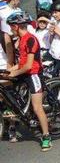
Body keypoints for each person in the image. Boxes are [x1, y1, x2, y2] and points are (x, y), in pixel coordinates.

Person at [2, 11, 52, 151]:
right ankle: (14, 111)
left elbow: (29, 65)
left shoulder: (30, 39)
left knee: (37, 108)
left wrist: (14, 73)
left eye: (11, 26)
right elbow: (21, 63)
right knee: (5, 83)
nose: (11, 29)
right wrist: (7, 72)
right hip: (24, 72)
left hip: (34, 74)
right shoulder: (21, 39)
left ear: (17, 26)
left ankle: (46, 136)